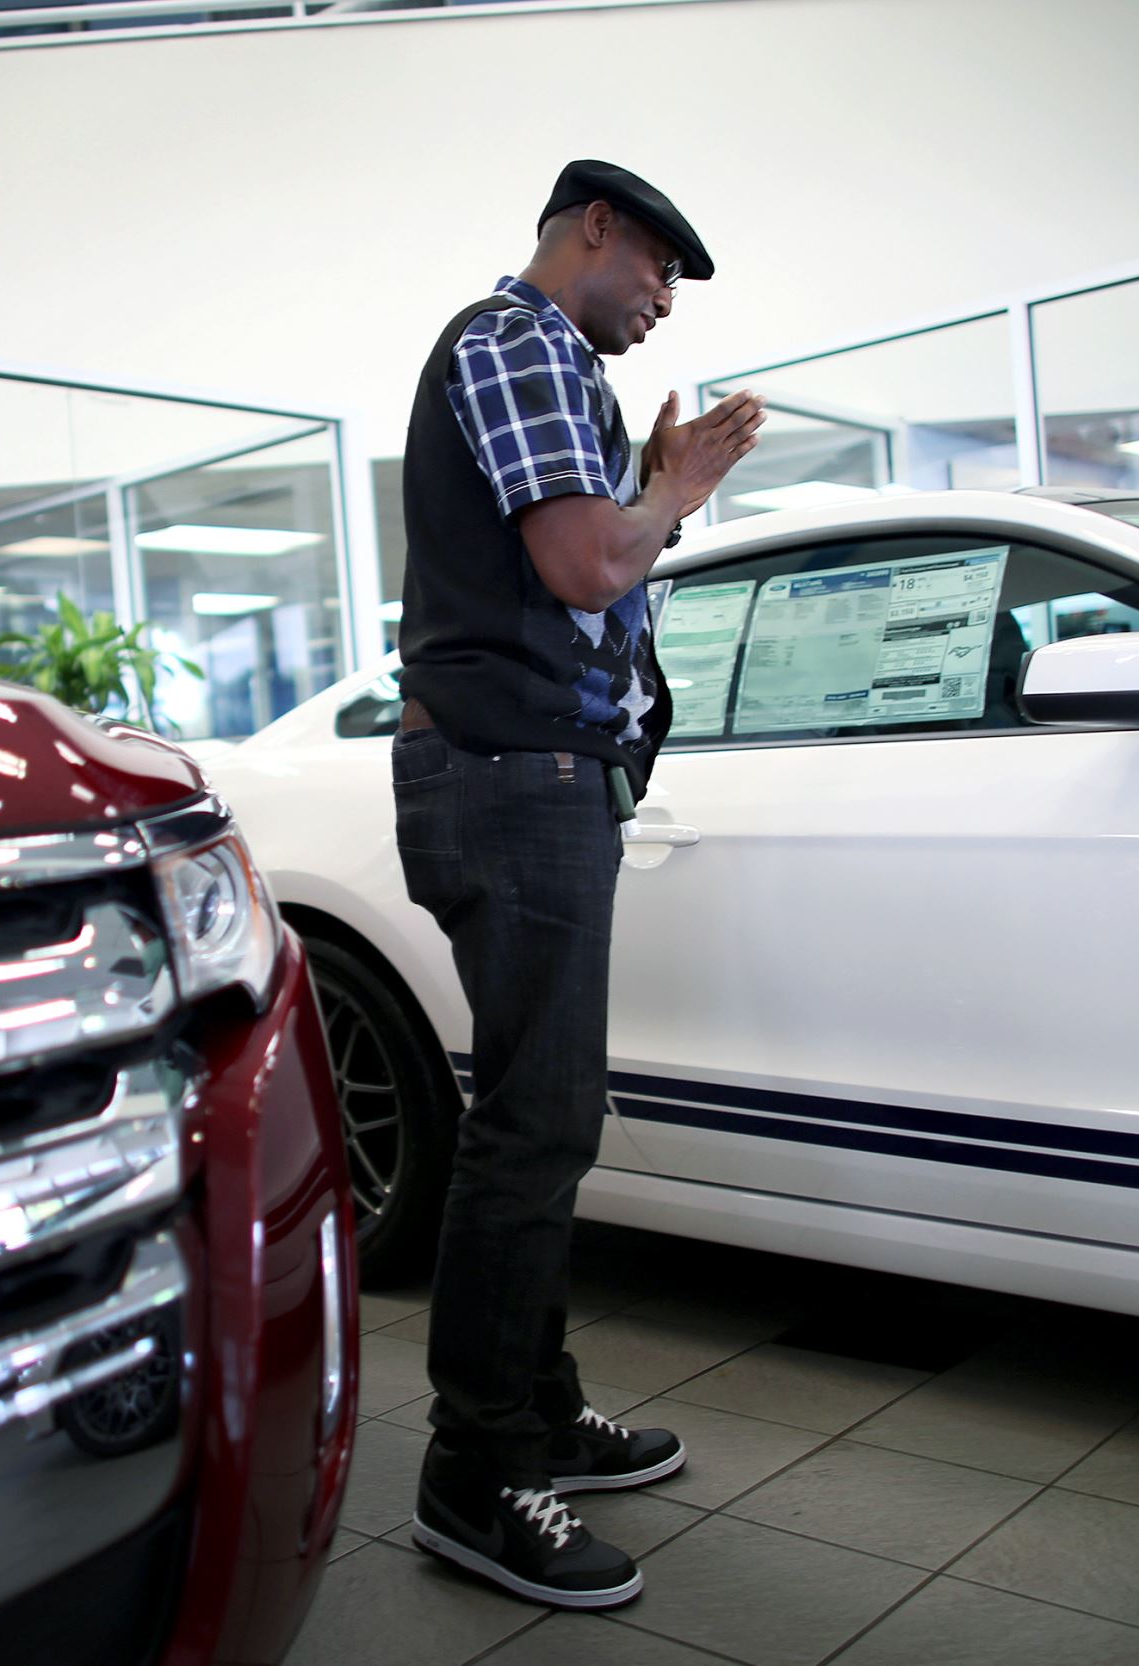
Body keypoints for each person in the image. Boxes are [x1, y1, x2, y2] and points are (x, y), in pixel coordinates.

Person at [392, 159, 766, 1609]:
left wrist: (646, 483)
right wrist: (669, 491)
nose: (666, 301)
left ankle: (536, 1407)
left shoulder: (559, 367)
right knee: (535, 1122)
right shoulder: (517, 342)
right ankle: (475, 1473)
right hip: (509, 778)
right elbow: (587, 568)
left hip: (532, 777)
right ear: (591, 231)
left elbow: (591, 559)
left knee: (546, 1112)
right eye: (660, 268)